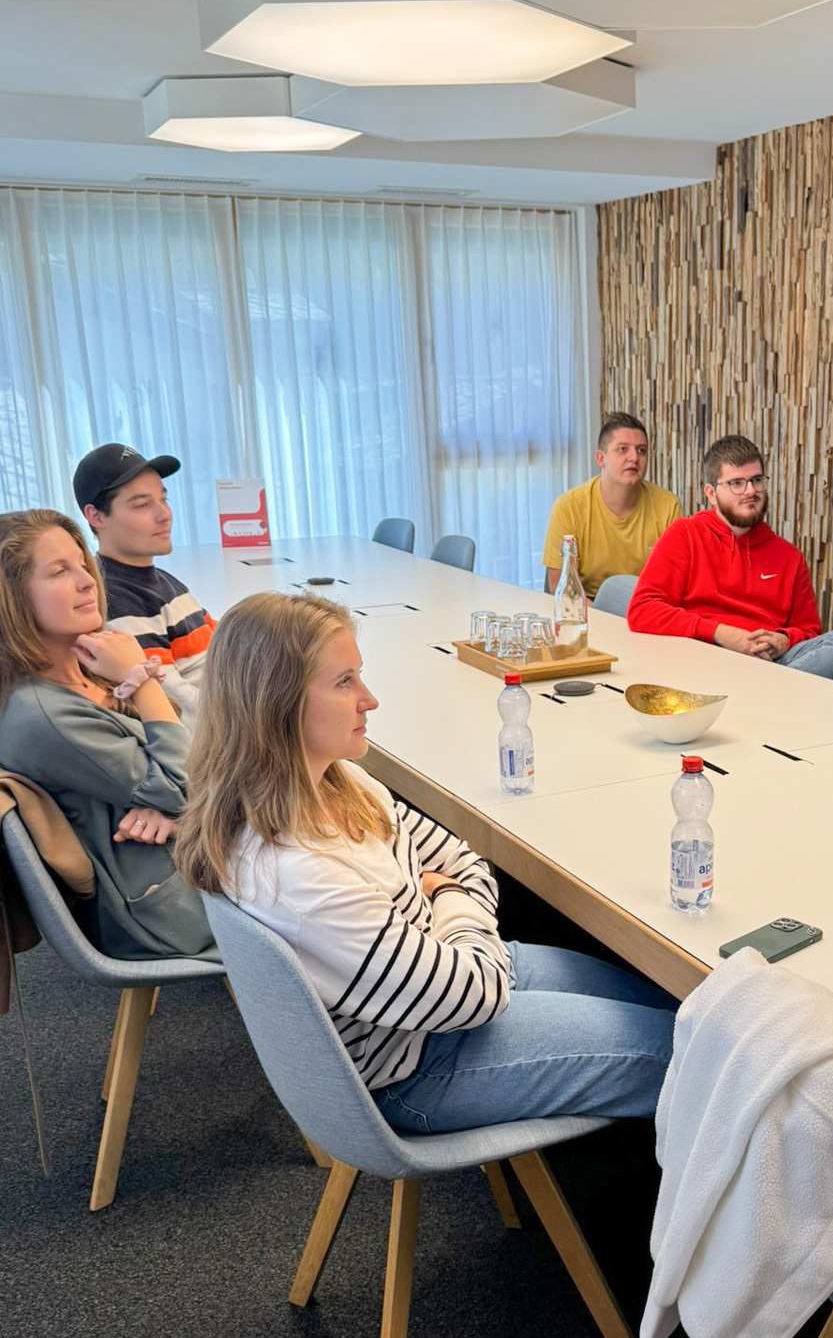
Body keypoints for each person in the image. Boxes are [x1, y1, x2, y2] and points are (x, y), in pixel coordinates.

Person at [174, 593, 675, 1134]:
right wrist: (447, 897)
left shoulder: (338, 781)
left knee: (682, 1019)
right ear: (276, 703)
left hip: (441, 979)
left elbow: (464, 861)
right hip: (418, 1064)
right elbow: (475, 995)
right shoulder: (296, 871)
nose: (369, 700)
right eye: (344, 682)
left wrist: (449, 920)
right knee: (693, 1060)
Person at [0, 510, 213, 958]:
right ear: (12, 599)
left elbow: (188, 775)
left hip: (192, 848)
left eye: (83, 565)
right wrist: (143, 682)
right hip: (174, 905)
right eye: (60, 572)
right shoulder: (42, 715)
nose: (88, 582)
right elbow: (187, 785)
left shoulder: (89, 667)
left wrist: (175, 812)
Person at [627, 435, 833, 677]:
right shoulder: (685, 534)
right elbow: (642, 610)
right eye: (736, 483)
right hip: (703, 654)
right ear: (711, 493)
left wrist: (784, 639)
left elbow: (809, 632)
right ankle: (773, 687)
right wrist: (720, 633)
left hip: (771, 662)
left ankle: (768, 684)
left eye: (757, 480)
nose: (751, 491)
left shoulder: (790, 556)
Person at [73, 442, 215, 718]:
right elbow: (177, 708)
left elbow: (222, 642)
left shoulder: (162, 580)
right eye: (142, 505)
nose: (164, 515)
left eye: (164, 500)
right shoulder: (112, 601)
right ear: (96, 516)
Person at [543, 413, 682, 599]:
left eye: (641, 450)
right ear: (601, 459)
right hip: (588, 607)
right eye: (623, 449)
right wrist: (599, 615)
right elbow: (561, 586)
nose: (634, 457)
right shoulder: (568, 507)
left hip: (648, 604)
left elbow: (675, 582)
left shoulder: (669, 507)